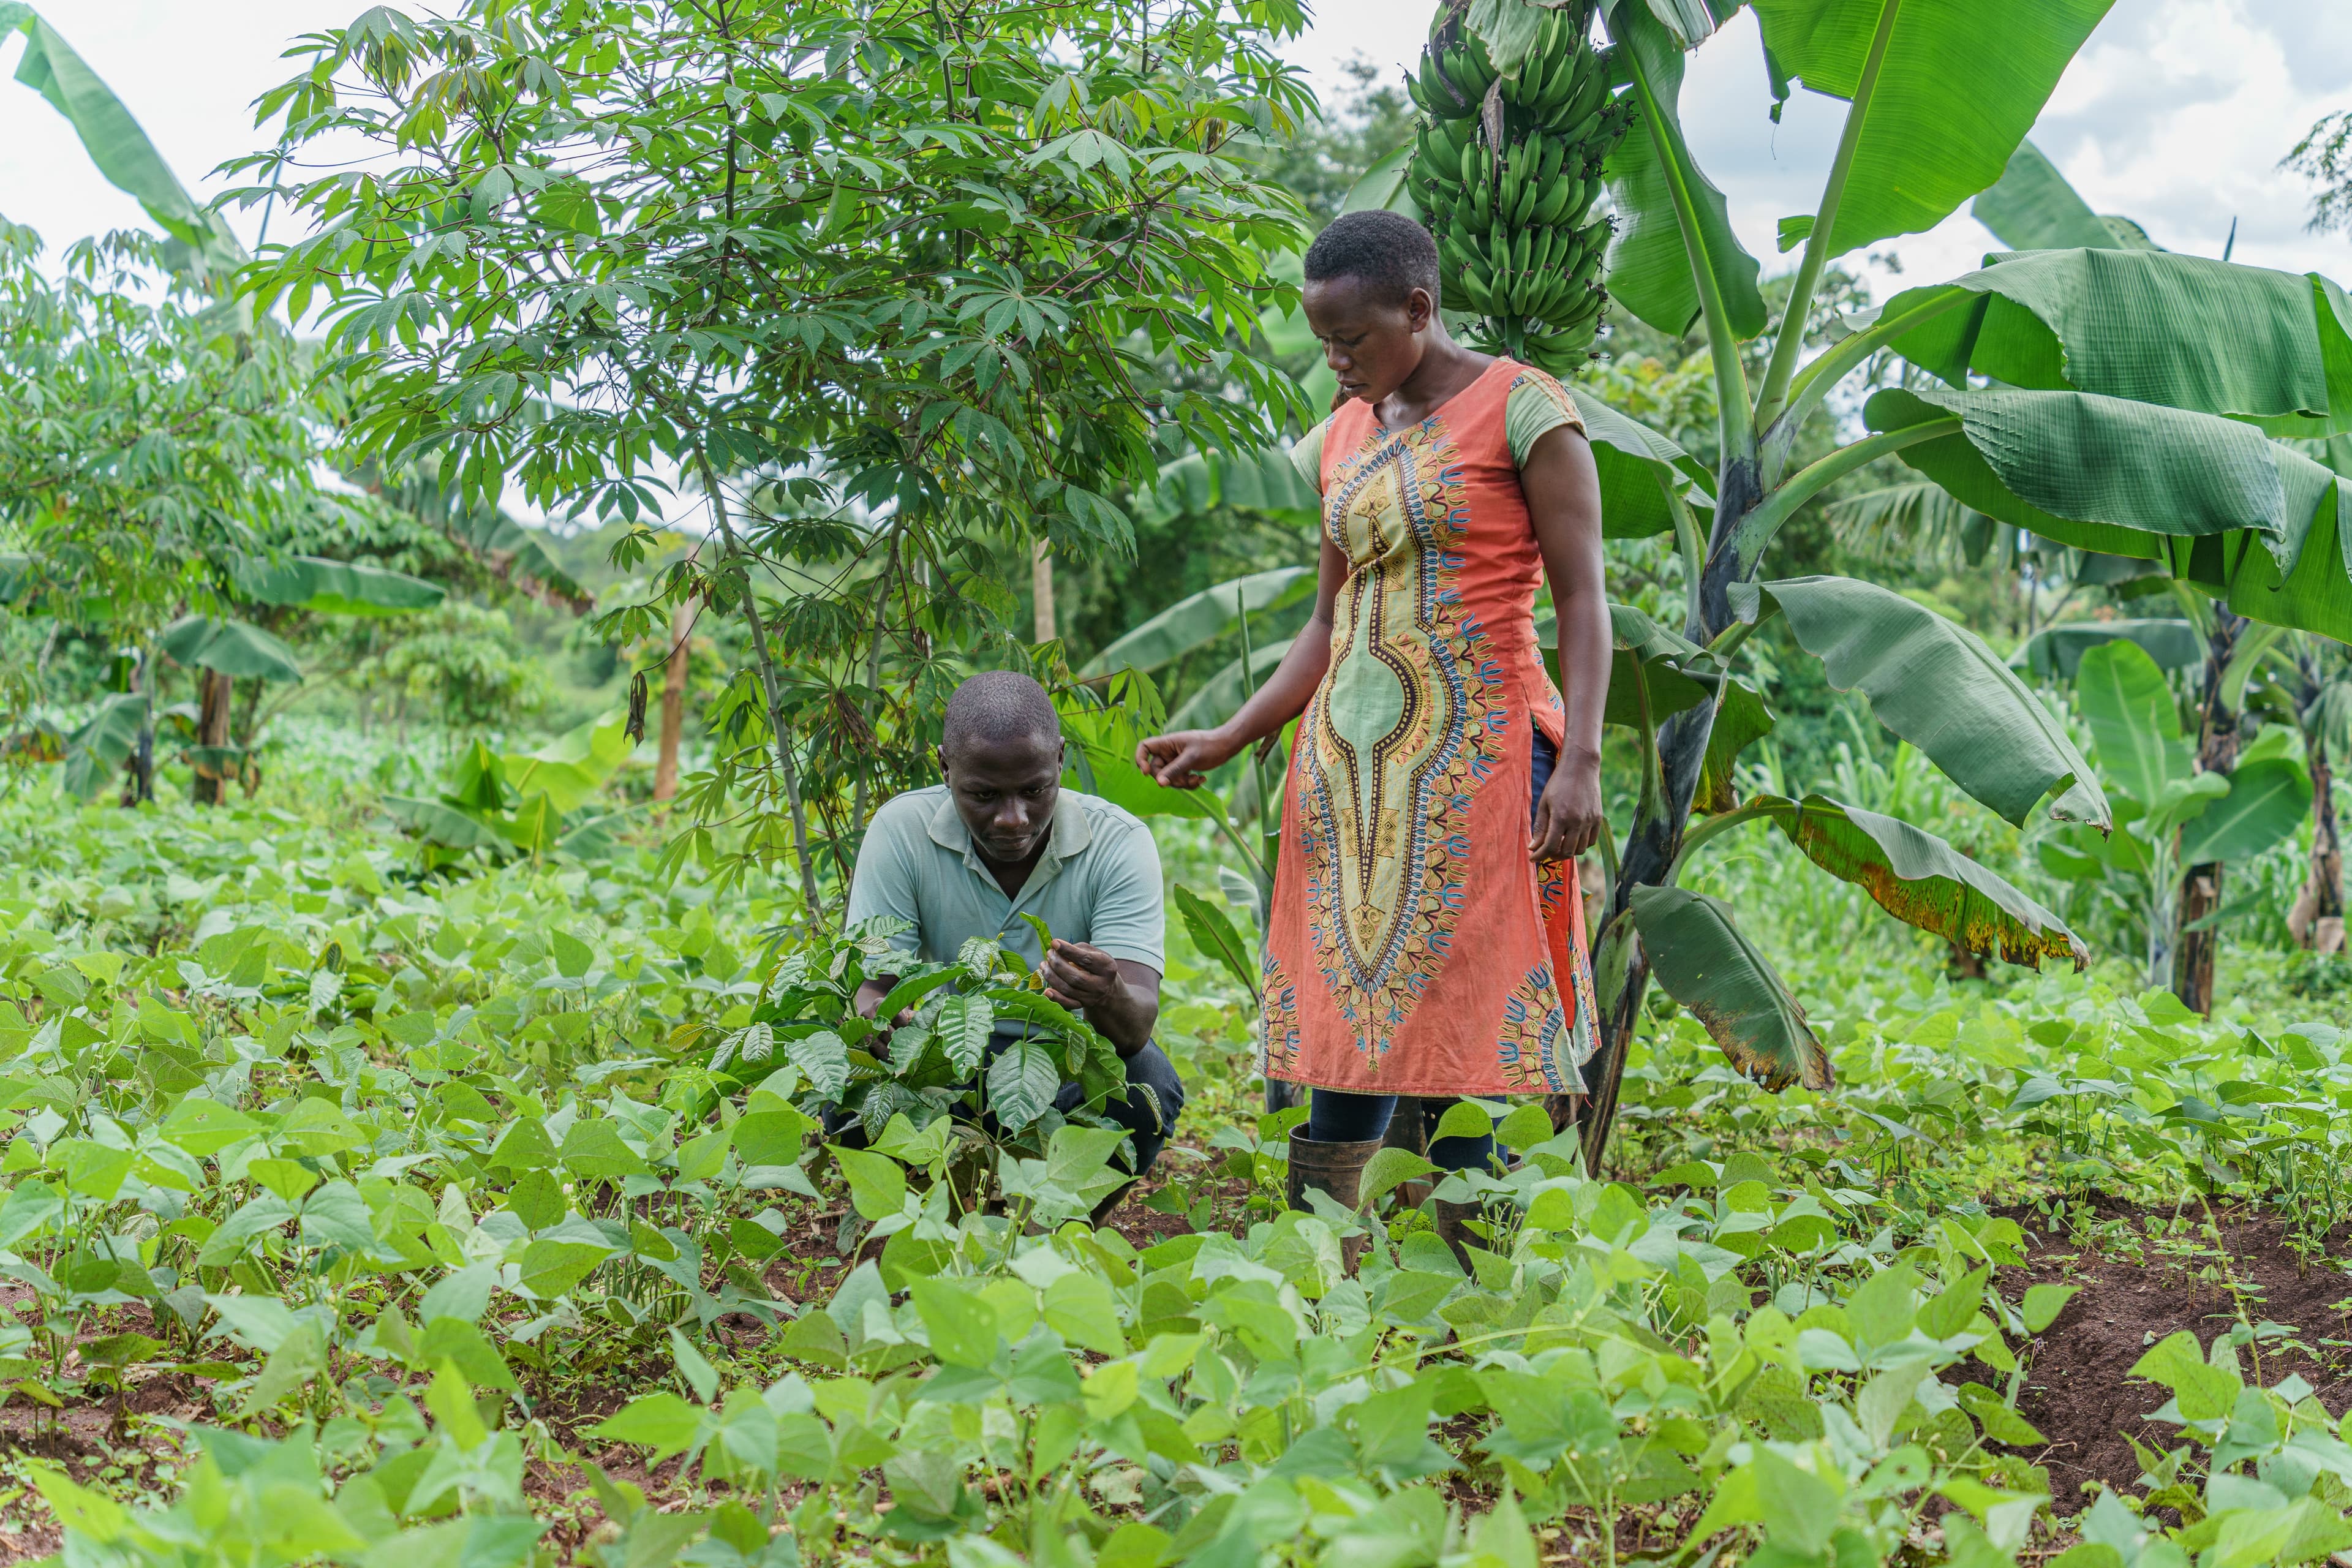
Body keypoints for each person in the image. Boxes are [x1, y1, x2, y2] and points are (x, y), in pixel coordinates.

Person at [1137, 208, 1610, 1262]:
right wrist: (1231, 732)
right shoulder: (1347, 437)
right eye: (1324, 343)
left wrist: (1578, 757)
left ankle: (1474, 1281)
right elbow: (1328, 620)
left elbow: (1584, 601)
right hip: (1345, 777)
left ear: (1419, 309)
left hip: (1480, 764)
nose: (1338, 362)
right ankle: (1318, 1271)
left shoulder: (1526, 412)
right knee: (1342, 1022)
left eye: (1353, 340)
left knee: (1470, 1023)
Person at [845, 670, 1184, 1219]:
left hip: (1060, 1067)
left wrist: (1106, 992)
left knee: (1146, 1085)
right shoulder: (901, 831)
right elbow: (874, 989)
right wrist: (885, 1024)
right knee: (851, 1076)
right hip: (941, 1064)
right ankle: (921, 1227)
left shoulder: (1119, 843)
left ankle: (1059, 1231)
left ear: (1059, 760)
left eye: (1034, 791)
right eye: (983, 795)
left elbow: (1135, 1028)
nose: (1012, 818)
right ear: (944, 768)